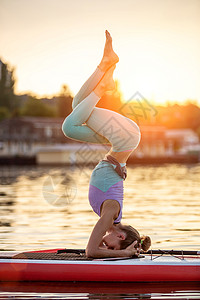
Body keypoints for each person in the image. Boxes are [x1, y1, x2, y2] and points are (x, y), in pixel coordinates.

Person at [62, 30, 151, 258]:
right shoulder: (110, 214)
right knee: (69, 125)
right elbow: (91, 252)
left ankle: (105, 65)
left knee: (77, 107)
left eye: (107, 250)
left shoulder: (110, 215)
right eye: (110, 247)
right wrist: (127, 255)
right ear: (120, 236)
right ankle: (103, 86)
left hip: (121, 142)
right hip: (125, 138)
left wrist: (118, 166)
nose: (105, 246)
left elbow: (113, 169)